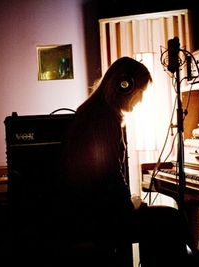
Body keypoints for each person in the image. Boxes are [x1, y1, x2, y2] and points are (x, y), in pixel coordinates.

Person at [57, 56, 189, 266]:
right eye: (141, 92)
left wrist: (129, 202)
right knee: (172, 219)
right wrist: (129, 206)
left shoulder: (93, 112)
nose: (141, 99)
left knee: (155, 214)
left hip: (89, 212)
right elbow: (108, 174)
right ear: (124, 87)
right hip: (97, 218)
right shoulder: (104, 118)